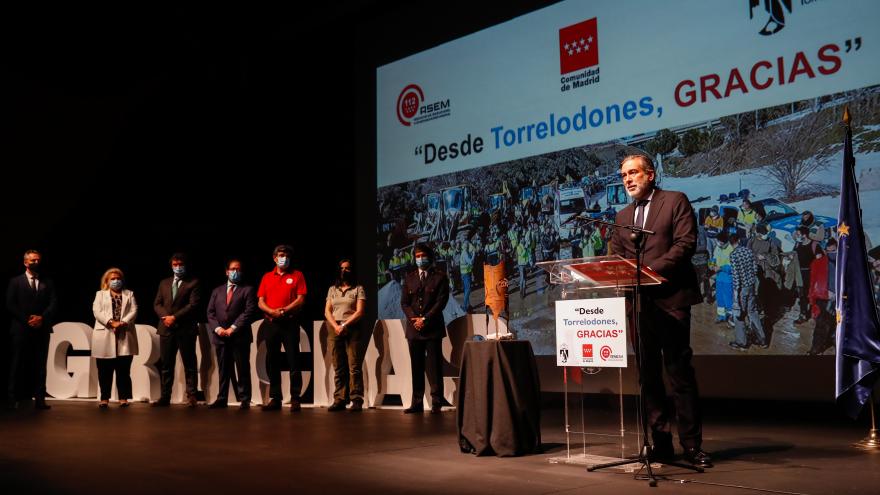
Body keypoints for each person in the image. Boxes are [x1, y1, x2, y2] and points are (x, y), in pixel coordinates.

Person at [609, 154, 712, 468]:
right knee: (648, 378)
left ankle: (692, 447)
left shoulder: (674, 201)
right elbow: (615, 255)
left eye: (633, 173)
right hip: (639, 306)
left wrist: (649, 271)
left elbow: (685, 243)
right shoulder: (622, 216)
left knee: (679, 375)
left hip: (672, 300)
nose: (628, 179)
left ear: (650, 174)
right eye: (624, 175)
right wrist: (620, 272)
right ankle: (661, 444)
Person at [400, 243, 449, 414]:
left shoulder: (440, 277)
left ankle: (437, 401)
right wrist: (415, 319)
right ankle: (417, 402)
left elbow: (440, 302)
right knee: (416, 366)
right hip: (414, 329)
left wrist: (425, 319)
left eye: (423, 255)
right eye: (417, 256)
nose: (420, 259)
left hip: (432, 327)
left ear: (430, 256)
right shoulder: (410, 277)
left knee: (435, 365)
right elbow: (404, 303)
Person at [6, 250, 57, 410]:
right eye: (33, 260)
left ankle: (40, 399)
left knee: (40, 365)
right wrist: (27, 320)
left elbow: (53, 303)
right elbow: (10, 304)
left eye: (38, 260)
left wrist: (41, 318)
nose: (36, 262)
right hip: (21, 329)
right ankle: (13, 398)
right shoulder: (15, 282)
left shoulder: (47, 282)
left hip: (41, 329)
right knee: (17, 363)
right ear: (25, 262)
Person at [257, 245, 307, 411]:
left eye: (286, 255)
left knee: (294, 360)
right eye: (280, 255)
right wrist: (272, 311)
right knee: (272, 361)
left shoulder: (297, 275)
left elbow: (300, 299)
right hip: (271, 323)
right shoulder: (266, 277)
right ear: (274, 258)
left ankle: (295, 398)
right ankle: (275, 398)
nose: (283, 258)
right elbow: (260, 301)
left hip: (290, 323)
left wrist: (284, 310)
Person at [152, 253, 202, 407]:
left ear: (185, 265)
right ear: (171, 266)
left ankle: (192, 396)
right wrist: (166, 317)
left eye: (180, 264)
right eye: (175, 265)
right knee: (166, 365)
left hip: (185, 329)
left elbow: (193, 305)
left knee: (189, 363)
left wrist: (174, 317)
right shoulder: (164, 283)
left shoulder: (193, 282)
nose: (178, 267)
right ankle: (165, 396)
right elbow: (157, 304)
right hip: (166, 328)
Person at [206, 259, 256, 409]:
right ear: (227, 271)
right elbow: (210, 312)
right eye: (233, 269)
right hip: (220, 337)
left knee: (242, 369)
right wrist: (218, 329)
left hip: (239, 337)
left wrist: (233, 328)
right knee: (223, 369)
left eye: (239, 269)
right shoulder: (217, 291)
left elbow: (249, 312)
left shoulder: (248, 289)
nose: (236, 272)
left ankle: (244, 399)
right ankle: (222, 398)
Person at [91, 268, 139, 408]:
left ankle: (123, 398)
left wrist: (123, 322)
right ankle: (104, 398)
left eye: (118, 278)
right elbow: (97, 311)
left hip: (124, 333)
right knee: (104, 369)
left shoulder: (129, 294)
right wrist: (111, 322)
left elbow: (134, 310)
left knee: (123, 369)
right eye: (112, 279)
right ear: (107, 281)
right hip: (105, 333)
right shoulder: (100, 295)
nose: (116, 281)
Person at [324, 259, 366, 412]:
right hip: (334, 328)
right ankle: (340, 399)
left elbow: (360, 311)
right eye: (342, 268)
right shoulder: (332, 289)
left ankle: (356, 399)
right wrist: (336, 326)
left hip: (352, 327)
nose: (344, 271)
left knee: (354, 365)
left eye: (347, 268)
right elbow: (327, 310)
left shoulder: (358, 289)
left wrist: (344, 325)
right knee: (338, 365)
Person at [728, 234, 767, 351]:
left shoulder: (733, 255)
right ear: (739, 240)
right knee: (753, 312)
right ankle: (762, 339)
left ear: (731, 244)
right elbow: (755, 269)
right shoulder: (748, 251)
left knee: (739, 315)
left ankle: (742, 342)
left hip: (741, 289)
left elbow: (736, 277)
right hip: (752, 286)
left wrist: (735, 297)